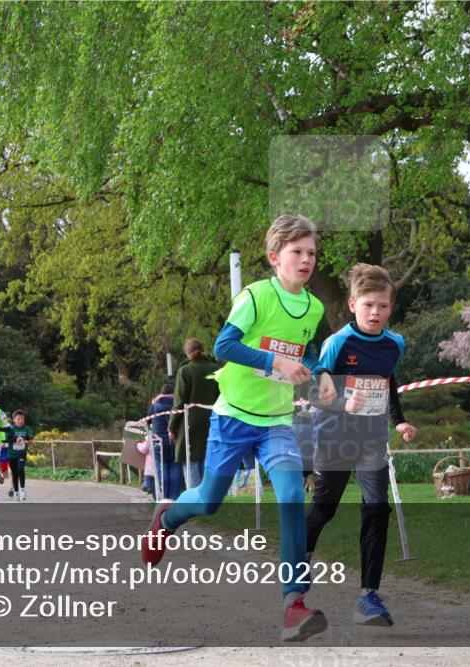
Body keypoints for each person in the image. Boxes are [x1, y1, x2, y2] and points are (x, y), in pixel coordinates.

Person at [141, 214, 329, 642]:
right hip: (233, 416)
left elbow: (309, 350)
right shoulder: (256, 297)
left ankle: (293, 604)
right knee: (208, 501)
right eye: (297, 252)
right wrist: (274, 361)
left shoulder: (314, 307)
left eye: (312, 253)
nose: (306, 260)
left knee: (291, 497)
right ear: (274, 257)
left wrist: (319, 371)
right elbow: (225, 344)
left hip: (277, 422)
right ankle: (166, 520)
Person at [305, 264, 418, 628]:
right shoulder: (337, 343)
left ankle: (368, 596)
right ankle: (299, 558)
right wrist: (342, 403)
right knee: (324, 509)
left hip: (371, 440)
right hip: (335, 438)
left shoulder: (394, 343)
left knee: (376, 510)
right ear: (353, 304)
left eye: (383, 306)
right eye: (369, 305)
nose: (376, 313)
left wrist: (398, 419)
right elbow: (313, 392)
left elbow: (389, 381)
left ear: (390, 307)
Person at [168, 338, 221, 489]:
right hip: (212, 421)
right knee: (207, 460)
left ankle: (194, 502)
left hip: (189, 423)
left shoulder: (184, 371)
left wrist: (171, 426)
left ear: (187, 353)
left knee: (190, 462)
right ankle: (206, 499)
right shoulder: (216, 369)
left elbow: (178, 402)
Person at [148, 384, 181, 501]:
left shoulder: (155, 406)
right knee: (175, 467)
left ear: (161, 393)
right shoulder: (178, 405)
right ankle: (174, 498)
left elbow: (148, 422)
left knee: (160, 468)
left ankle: (161, 497)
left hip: (158, 442)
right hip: (174, 441)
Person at [6, 410, 32, 502]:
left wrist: (29, 440)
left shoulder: (27, 429)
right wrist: (15, 439)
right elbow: (6, 439)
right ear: (14, 420)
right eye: (18, 419)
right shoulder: (11, 429)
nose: (20, 421)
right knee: (15, 474)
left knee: (21, 469)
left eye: (22, 419)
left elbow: (29, 438)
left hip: (22, 453)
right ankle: (16, 492)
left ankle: (22, 490)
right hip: (12, 454)